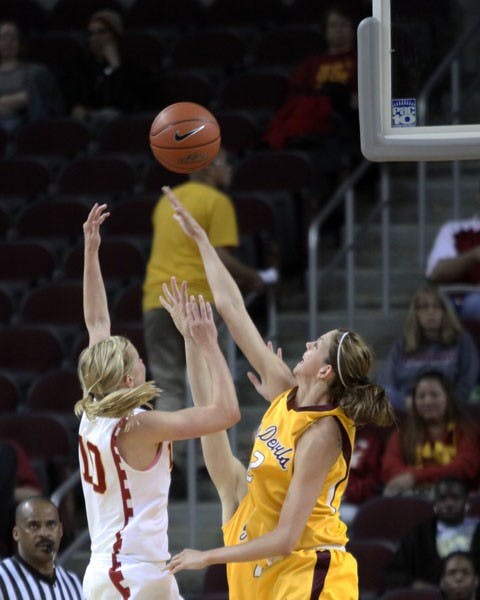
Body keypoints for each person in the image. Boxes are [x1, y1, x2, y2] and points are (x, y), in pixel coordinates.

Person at [162, 186, 395, 599]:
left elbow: (287, 536)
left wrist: (208, 557)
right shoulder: (286, 392)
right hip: (270, 574)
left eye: (314, 344)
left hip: (312, 568)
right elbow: (233, 310)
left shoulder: (322, 433)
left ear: (324, 370)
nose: (305, 345)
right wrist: (202, 241)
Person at [76, 203, 240, 598]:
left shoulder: (94, 405)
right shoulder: (140, 425)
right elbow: (227, 413)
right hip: (131, 576)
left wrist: (91, 251)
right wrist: (208, 344)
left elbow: (97, 323)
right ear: (130, 378)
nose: (145, 361)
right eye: (139, 358)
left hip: (121, 571)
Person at [143, 149, 271, 413]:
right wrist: (253, 278)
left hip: (157, 299)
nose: (230, 169)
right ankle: (211, 455)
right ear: (207, 168)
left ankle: (171, 455)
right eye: (225, 162)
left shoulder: (165, 201)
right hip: (198, 300)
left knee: (169, 388)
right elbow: (220, 256)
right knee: (216, 386)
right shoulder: (217, 201)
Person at [262, 3, 358, 153]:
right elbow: (296, 92)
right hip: (313, 114)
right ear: (325, 31)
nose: (339, 30)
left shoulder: (360, 60)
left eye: (344, 25)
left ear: (353, 29)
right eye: (333, 25)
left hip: (344, 116)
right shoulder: (312, 63)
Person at [378, 282, 479, 410]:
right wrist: (410, 404)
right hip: (408, 409)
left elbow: (467, 381)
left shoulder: (461, 341)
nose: (431, 312)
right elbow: (386, 384)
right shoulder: (402, 344)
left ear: (444, 312)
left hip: (449, 409)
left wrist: (447, 405)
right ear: (416, 313)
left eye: (436, 307)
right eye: (424, 307)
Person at [381, 371, 480, 498]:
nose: (427, 401)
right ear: (414, 402)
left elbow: (465, 468)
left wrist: (414, 477)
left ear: (448, 398)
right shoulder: (402, 434)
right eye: (421, 396)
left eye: (434, 395)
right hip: (413, 499)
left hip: (456, 501)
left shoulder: (466, 430)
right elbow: (389, 469)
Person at [384, 477, 480, 592]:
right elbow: (394, 574)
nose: (449, 504)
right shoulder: (419, 535)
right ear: (435, 503)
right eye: (442, 499)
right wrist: (419, 587)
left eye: (455, 498)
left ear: (466, 502)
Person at [0, 496, 83, 599]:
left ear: (60, 530)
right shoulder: (2, 577)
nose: (44, 533)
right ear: (16, 533)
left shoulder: (72, 583)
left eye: (51, 525)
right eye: (33, 526)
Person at [70, 10, 141, 127]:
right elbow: (80, 97)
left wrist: (116, 67)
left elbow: (129, 103)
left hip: (121, 121)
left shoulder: (131, 64)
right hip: (89, 119)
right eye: (91, 34)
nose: (95, 38)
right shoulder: (81, 65)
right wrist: (77, 107)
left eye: (102, 32)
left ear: (115, 35)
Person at [426, 181, 480, 322]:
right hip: (456, 299)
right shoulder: (455, 230)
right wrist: (473, 255)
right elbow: (436, 274)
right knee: (434, 307)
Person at [0, 20, 63, 134]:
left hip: (27, 126)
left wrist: (4, 102)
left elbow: (38, 99)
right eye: (3, 37)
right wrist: (19, 100)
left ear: (20, 42)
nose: (8, 42)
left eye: (13, 38)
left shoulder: (36, 71)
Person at [340, 425, 387, 525]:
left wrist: (346, 492)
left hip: (351, 503)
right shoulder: (327, 436)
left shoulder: (371, 441)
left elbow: (373, 483)